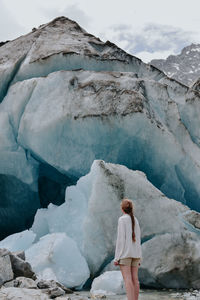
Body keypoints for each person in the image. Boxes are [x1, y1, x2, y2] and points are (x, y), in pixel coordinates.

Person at [114, 198, 142, 300]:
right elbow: (138, 239)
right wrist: (140, 257)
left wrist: (117, 258)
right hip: (136, 254)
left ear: (122, 209)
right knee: (135, 279)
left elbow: (121, 240)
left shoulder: (122, 220)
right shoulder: (135, 219)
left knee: (128, 280)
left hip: (125, 254)